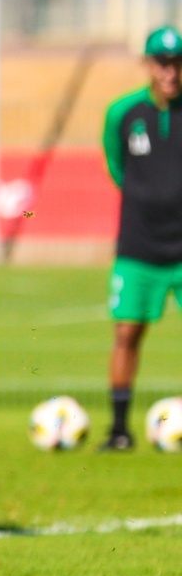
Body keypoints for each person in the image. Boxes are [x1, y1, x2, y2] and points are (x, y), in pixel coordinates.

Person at [100, 24, 182, 450]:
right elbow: (117, 166)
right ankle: (119, 429)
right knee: (127, 333)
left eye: (177, 63)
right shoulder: (124, 113)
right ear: (148, 64)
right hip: (139, 246)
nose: (171, 71)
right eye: (163, 62)